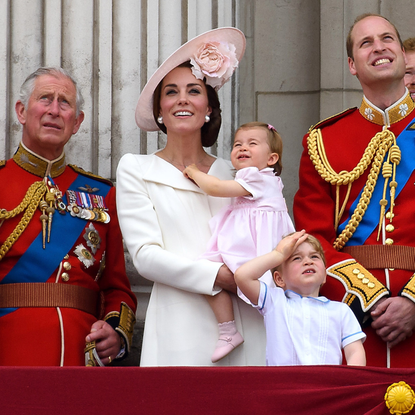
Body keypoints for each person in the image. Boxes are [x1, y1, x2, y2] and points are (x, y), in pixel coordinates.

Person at [116, 28, 267, 366]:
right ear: (160, 110)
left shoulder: (236, 173)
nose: (182, 99)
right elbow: (145, 256)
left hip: (251, 322)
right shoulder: (136, 169)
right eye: (171, 92)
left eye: (194, 90)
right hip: (179, 328)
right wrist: (219, 277)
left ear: (209, 108)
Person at [293, 13, 415, 368]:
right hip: (353, 323)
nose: (378, 47)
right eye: (366, 43)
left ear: (402, 56)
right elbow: (311, 240)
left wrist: (412, 299)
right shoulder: (324, 140)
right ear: (352, 65)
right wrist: (371, 299)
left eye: (386, 39)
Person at [0, 67, 137, 366]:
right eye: (45, 98)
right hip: (10, 350)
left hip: (81, 356)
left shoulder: (102, 194)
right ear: (21, 111)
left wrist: (115, 331)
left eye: (65, 103)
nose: (54, 110)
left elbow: (117, 288)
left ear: (77, 122)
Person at [183, 121, 294, 362]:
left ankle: (228, 330)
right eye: (237, 144)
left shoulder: (258, 177)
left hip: (254, 247)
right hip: (248, 242)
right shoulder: (258, 178)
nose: (243, 147)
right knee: (207, 274)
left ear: (272, 158)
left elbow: (216, 187)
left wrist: (194, 172)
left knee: (207, 272)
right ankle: (228, 331)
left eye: (252, 144)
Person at [234, 230, 366, 366]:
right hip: (284, 385)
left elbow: (355, 352)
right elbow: (242, 276)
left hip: (326, 384)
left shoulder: (341, 310)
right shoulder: (274, 301)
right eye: (297, 258)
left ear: (325, 275)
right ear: (279, 279)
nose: (308, 262)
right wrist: (278, 254)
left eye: (314, 257)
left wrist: (351, 384)